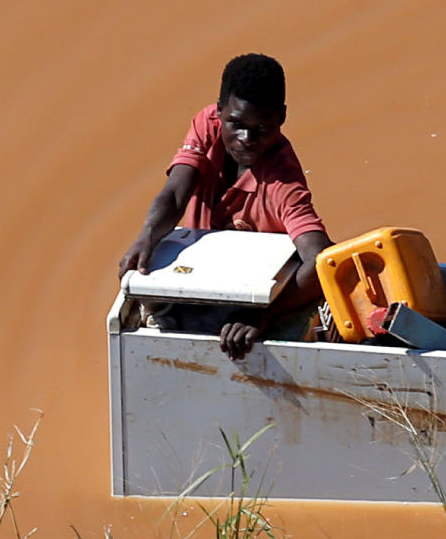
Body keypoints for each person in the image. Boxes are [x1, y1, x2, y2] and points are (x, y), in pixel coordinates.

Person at [118, 54, 332, 359]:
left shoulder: (283, 183)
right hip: (198, 280)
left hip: (251, 298)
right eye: (236, 124)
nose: (247, 139)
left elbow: (321, 261)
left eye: (262, 128)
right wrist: (146, 237)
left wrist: (261, 314)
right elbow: (176, 195)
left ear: (281, 118)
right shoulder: (207, 125)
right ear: (219, 112)